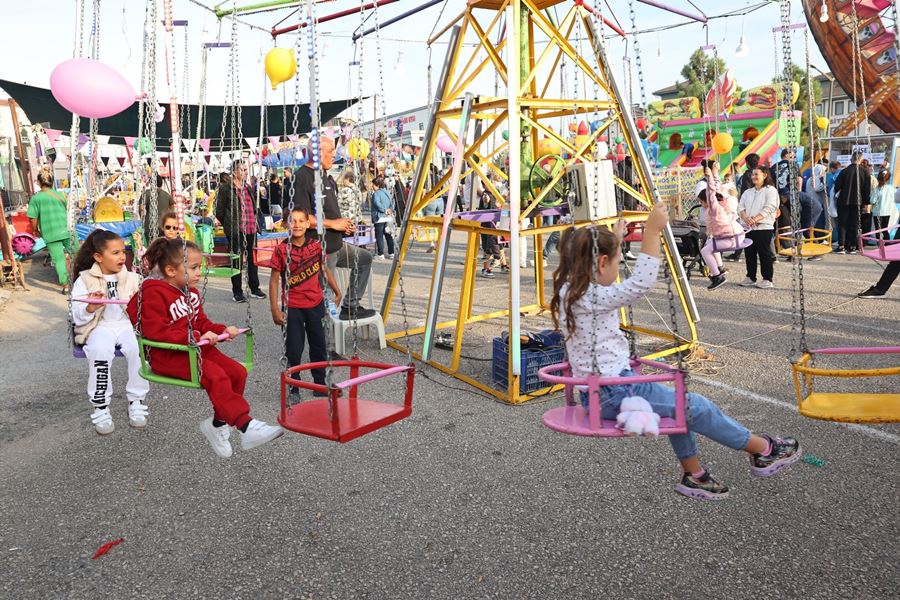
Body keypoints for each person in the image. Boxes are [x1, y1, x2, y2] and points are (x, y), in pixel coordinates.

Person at [549, 203, 800, 500]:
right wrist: (652, 232)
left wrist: (614, 239)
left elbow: (604, 277)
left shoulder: (571, 289)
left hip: (602, 392)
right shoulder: (592, 296)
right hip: (615, 392)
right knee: (697, 406)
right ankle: (764, 450)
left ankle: (695, 475)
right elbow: (640, 283)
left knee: (680, 409)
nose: (617, 271)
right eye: (616, 262)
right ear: (602, 263)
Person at [127, 237, 284, 458]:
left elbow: (200, 322)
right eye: (193, 268)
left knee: (237, 372)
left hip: (195, 348)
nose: (199, 272)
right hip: (167, 355)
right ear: (171, 270)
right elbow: (155, 332)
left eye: (199, 267)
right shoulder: (153, 293)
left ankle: (218, 424)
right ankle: (246, 426)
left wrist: (221, 330)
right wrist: (196, 336)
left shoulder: (190, 293)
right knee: (216, 376)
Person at [71, 230, 149, 435]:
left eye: (123, 251)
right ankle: (101, 406)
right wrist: (89, 307)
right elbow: (76, 315)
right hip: (100, 326)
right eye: (115, 253)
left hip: (126, 325)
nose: (122, 257)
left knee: (139, 348)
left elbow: (147, 309)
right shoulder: (85, 280)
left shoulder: (133, 278)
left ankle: (137, 400)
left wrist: (137, 303)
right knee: (99, 351)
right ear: (98, 257)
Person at [293, 137, 376, 320]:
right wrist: (333, 224)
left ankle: (350, 306)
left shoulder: (326, 177)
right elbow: (301, 218)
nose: (334, 155)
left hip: (336, 244)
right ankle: (325, 336)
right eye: (330, 151)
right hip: (319, 249)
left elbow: (329, 213)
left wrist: (343, 226)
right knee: (326, 297)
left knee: (364, 259)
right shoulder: (302, 177)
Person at [268, 208, 342, 393]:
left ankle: (319, 383)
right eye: (292, 221)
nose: (297, 225)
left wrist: (337, 290)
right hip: (292, 306)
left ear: (308, 224)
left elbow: (324, 269)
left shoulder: (316, 246)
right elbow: (274, 280)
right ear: (285, 224)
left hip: (315, 304)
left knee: (319, 344)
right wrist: (275, 309)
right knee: (293, 348)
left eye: (301, 221)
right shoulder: (281, 250)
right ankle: (294, 385)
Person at [215, 159, 267, 302]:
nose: (245, 173)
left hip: (251, 229)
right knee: (236, 260)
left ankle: (254, 288)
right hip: (236, 230)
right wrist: (228, 224)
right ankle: (237, 291)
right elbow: (219, 211)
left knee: (252, 260)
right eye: (242, 170)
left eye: (246, 170)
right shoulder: (226, 189)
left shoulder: (248, 187)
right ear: (234, 172)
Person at [698, 163, 744, 291]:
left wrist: (709, 177)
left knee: (705, 251)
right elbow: (717, 187)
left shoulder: (714, 208)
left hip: (733, 238)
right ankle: (720, 268)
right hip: (734, 235)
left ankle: (717, 277)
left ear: (707, 200)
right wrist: (715, 172)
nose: (700, 204)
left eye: (701, 202)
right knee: (710, 242)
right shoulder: (718, 205)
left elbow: (712, 192)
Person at [27, 168, 72, 293]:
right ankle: (85, 280)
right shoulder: (61, 195)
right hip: (67, 230)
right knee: (77, 253)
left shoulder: (36, 199)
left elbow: (33, 218)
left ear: (39, 183)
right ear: (52, 182)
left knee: (59, 259)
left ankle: (66, 285)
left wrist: (35, 230)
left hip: (50, 233)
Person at [737, 167, 779, 288]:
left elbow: (770, 207)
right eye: (752, 174)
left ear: (764, 175)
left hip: (764, 227)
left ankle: (767, 279)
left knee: (764, 253)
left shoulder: (770, 190)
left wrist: (755, 219)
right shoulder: (747, 192)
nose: (753, 177)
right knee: (749, 253)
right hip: (748, 228)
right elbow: (740, 207)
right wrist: (746, 218)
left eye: (756, 174)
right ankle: (750, 277)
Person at [833, 151, 871, 254]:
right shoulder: (865, 172)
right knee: (855, 224)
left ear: (852, 159)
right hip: (858, 202)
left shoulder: (844, 171)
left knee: (842, 224)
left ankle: (841, 245)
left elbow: (837, 186)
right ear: (861, 159)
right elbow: (867, 189)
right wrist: (866, 202)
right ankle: (853, 246)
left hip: (844, 201)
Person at [478, 188, 509, 278]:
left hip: (496, 223)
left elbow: (504, 206)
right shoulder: (487, 194)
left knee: (500, 244)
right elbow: (486, 203)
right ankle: (486, 268)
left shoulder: (496, 192)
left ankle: (503, 264)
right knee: (488, 247)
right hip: (488, 224)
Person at [141, 174, 175, 243]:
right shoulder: (167, 195)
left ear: (151, 183)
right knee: (163, 245)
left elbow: (141, 209)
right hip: (163, 224)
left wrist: (143, 219)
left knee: (151, 245)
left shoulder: (146, 193)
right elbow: (172, 206)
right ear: (161, 183)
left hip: (149, 224)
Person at [370, 175, 396, 260]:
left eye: (373, 185)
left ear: (377, 185)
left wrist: (384, 210)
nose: (372, 186)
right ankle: (391, 253)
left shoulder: (376, 194)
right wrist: (390, 210)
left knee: (379, 236)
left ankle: (380, 254)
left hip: (379, 217)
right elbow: (392, 202)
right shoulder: (387, 192)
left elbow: (377, 204)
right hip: (388, 217)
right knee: (388, 235)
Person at [870, 169, 896, 240]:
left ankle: (880, 245)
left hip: (877, 212)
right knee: (885, 229)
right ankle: (887, 244)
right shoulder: (891, 188)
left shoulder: (877, 189)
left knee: (878, 230)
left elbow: (872, 201)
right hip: (887, 212)